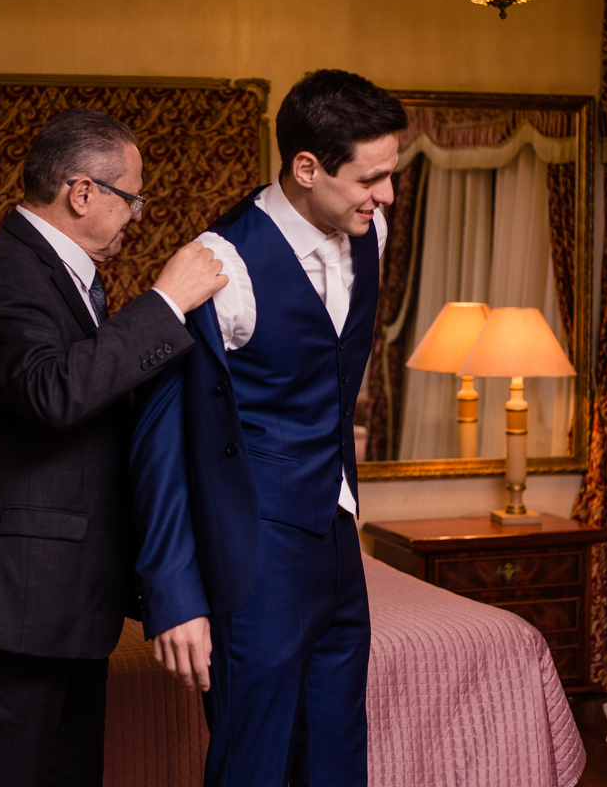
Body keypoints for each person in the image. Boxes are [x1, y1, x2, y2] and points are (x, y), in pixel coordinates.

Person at [0, 108, 226, 787]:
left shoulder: (62, 275)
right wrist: (166, 302)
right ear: (82, 192)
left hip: (64, 607)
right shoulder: (2, 273)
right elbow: (52, 392)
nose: (137, 216)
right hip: (3, 612)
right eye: (132, 198)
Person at [130, 70, 407, 786]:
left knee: (337, 756)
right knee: (252, 764)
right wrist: (174, 593)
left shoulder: (370, 230)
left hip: (338, 538)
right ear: (307, 168)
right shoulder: (220, 265)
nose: (386, 195)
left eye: (391, 175)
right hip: (255, 549)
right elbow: (162, 439)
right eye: (371, 179)